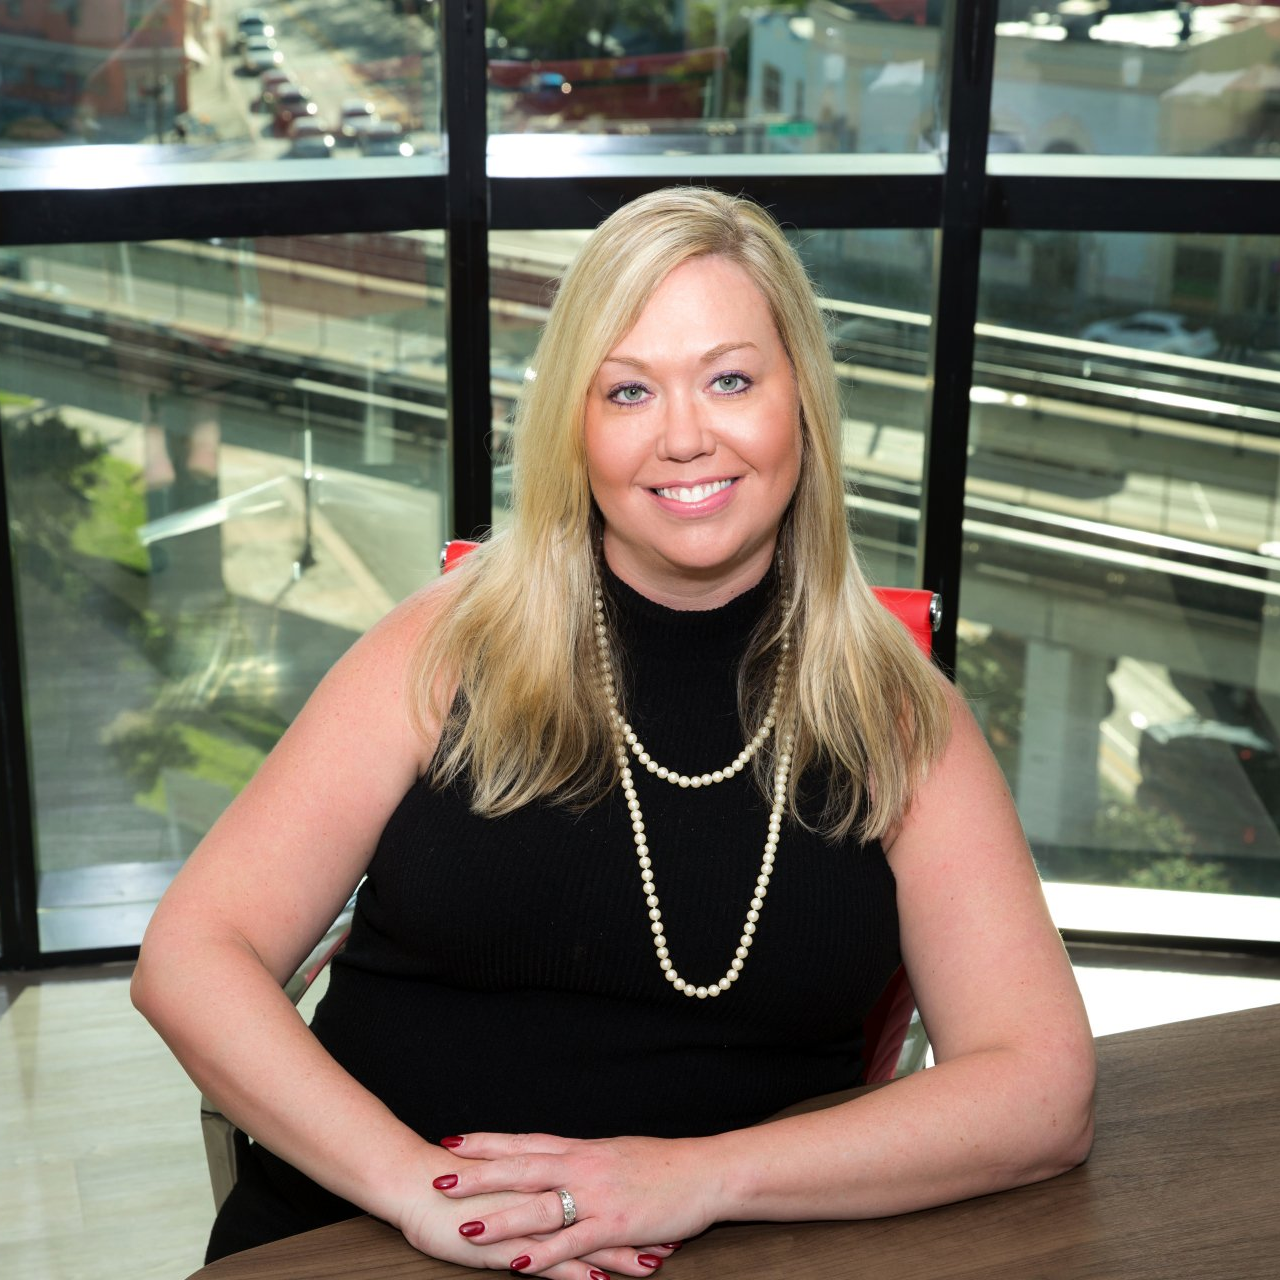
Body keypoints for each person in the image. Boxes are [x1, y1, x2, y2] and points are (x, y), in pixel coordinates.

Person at [132, 187, 1095, 1277]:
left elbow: (1039, 1088)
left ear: (801, 404)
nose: (684, 435)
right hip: (366, 1232)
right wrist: (421, 1189)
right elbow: (191, 955)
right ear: (574, 429)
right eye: (627, 390)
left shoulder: (899, 716)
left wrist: (697, 1174)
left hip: (720, 1248)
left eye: (729, 378)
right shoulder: (442, 645)